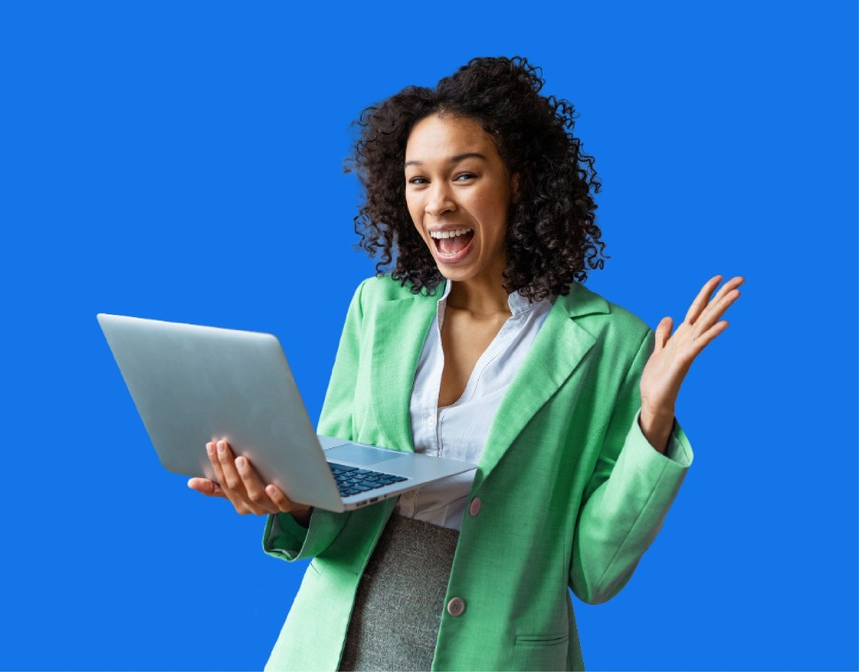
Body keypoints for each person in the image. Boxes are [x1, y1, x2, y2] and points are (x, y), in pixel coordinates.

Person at [188, 56, 742, 671]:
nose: (438, 203)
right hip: (340, 644)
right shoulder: (379, 308)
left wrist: (654, 420)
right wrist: (286, 502)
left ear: (519, 181)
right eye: (418, 180)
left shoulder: (611, 343)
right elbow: (338, 491)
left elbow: (595, 571)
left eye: (465, 175)